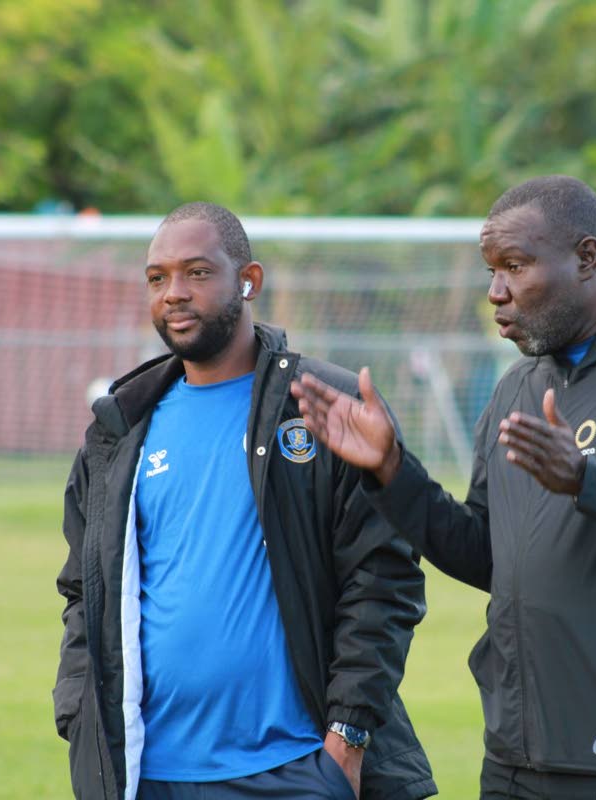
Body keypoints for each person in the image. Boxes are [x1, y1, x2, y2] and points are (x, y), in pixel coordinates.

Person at [292, 176, 596, 800]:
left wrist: (589, 481)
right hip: (518, 757)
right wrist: (391, 472)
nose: (496, 293)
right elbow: (492, 556)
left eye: (514, 267)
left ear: (587, 257)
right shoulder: (517, 387)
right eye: (492, 271)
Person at [53, 202, 436, 800]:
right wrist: (79, 713)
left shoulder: (321, 405)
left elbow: (383, 577)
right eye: (158, 278)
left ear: (248, 281)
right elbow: (85, 590)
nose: (174, 293)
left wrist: (346, 739)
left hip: (299, 767)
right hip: (151, 772)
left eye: (198, 273)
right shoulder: (119, 431)